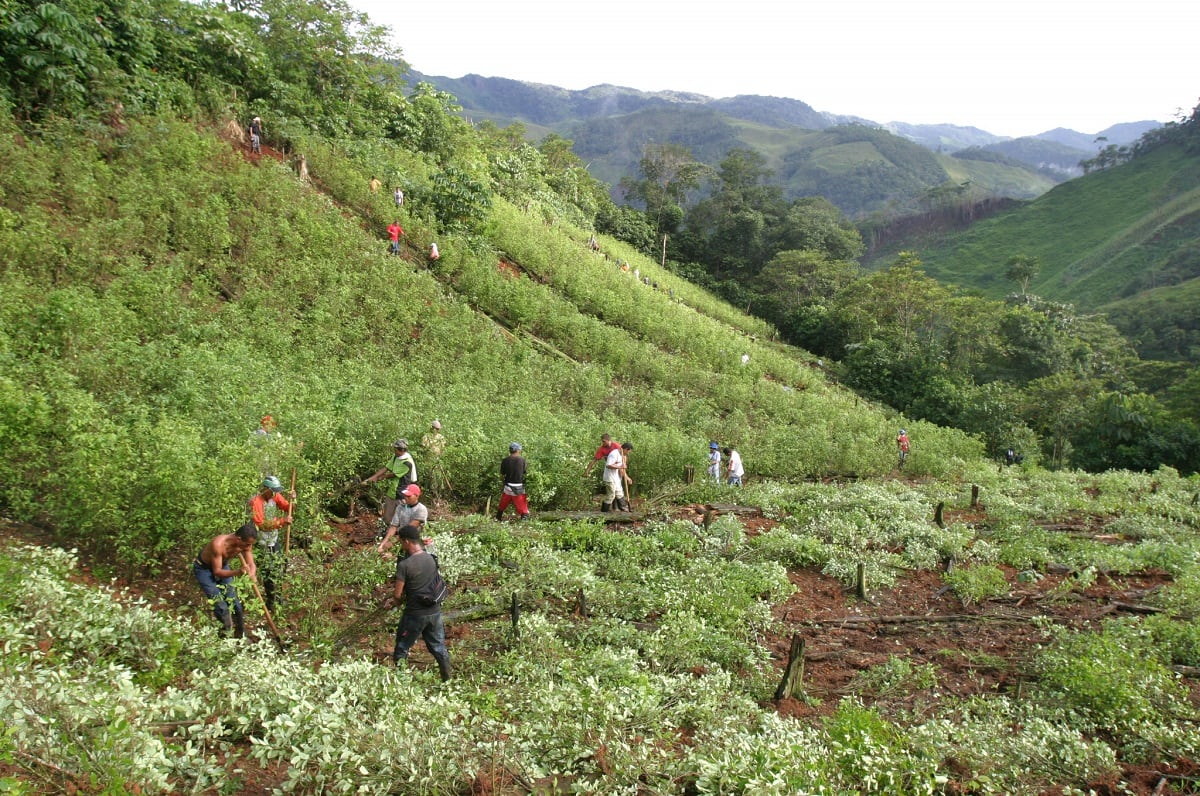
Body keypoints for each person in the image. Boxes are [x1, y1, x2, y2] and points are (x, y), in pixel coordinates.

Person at [388, 524, 452, 680]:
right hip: (434, 611)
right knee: (438, 647)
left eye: (401, 542)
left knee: (402, 649)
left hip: (415, 614)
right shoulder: (431, 558)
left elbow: (397, 595)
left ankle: (400, 683)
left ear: (407, 542)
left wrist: (392, 602)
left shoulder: (405, 565)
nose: (401, 546)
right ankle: (447, 679)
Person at [193, 522, 258, 638]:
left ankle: (240, 636)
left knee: (235, 604)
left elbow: (251, 563)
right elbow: (217, 572)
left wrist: (252, 574)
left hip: (223, 565)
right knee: (221, 606)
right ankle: (225, 636)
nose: (248, 547)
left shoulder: (246, 543)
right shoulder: (218, 544)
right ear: (238, 539)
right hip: (204, 569)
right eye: (247, 544)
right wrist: (238, 572)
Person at [248, 475, 293, 611]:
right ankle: (271, 601)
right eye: (273, 490)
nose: (275, 493)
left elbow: (288, 508)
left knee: (281, 566)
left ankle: (278, 596)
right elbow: (261, 524)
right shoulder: (256, 501)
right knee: (269, 571)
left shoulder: (275, 496)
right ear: (266, 489)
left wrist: (292, 500)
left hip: (274, 539)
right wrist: (281, 522)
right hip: (263, 541)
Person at [363, 439, 418, 530]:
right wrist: (372, 478)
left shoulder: (407, 462)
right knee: (387, 515)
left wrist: (381, 477)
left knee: (403, 517)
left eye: (395, 449)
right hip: (393, 490)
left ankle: (400, 535)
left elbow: (393, 474)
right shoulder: (396, 456)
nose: (394, 451)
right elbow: (386, 467)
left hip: (402, 491)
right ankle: (386, 531)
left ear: (402, 450)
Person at [378, 484, 429, 554]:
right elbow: (393, 526)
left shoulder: (421, 509)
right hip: (402, 540)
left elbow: (408, 530)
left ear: (417, 496)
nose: (406, 498)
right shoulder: (400, 507)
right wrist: (382, 544)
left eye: (409, 496)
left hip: (415, 543)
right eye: (405, 495)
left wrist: (391, 543)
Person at [496, 442, 529, 520]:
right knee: (522, 504)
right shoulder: (522, 460)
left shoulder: (505, 460)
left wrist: (504, 482)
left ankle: (498, 516)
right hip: (518, 485)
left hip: (508, 485)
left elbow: (502, 474)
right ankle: (524, 517)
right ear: (517, 450)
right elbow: (524, 472)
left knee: (504, 501)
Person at [602, 442, 633, 512]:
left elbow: (621, 470)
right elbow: (608, 465)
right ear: (625, 449)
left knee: (620, 493)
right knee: (611, 495)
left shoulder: (622, 456)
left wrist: (627, 478)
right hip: (609, 478)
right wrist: (620, 466)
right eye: (628, 451)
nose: (628, 453)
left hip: (616, 478)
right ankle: (604, 511)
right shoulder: (614, 454)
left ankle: (624, 508)